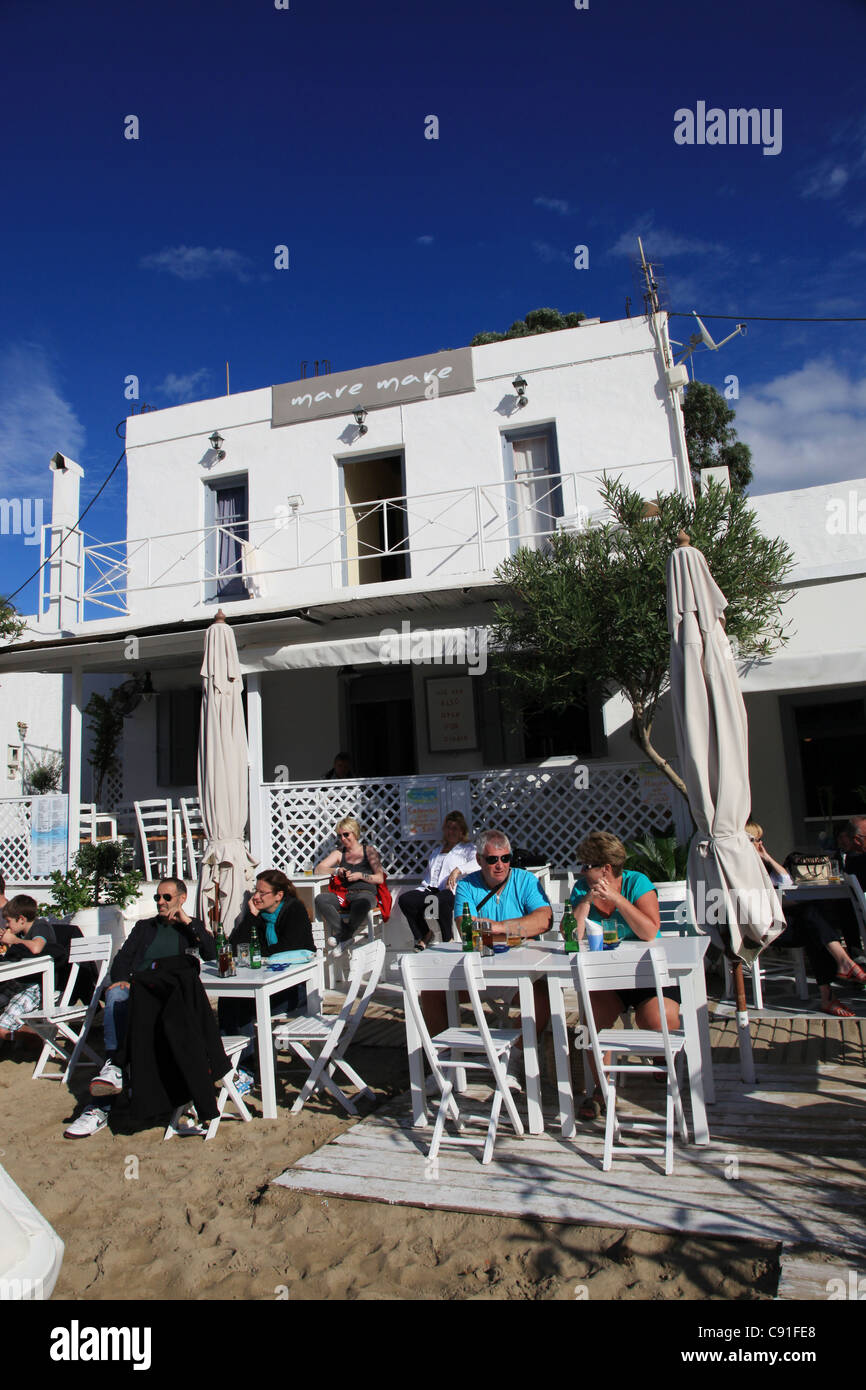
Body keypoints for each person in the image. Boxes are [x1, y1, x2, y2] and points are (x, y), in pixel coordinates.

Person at [64, 878, 215, 1139]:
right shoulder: (144, 927)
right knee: (116, 994)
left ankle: (110, 1081)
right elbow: (122, 960)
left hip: (168, 1000)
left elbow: (211, 953)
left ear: (181, 899)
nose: (161, 902)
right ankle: (113, 1069)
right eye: (158, 897)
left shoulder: (190, 929)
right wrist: (122, 979)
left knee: (123, 1004)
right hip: (137, 992)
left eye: (167, 897)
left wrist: (188, 922)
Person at [568, 830, 679, 1122]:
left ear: (605, 868)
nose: (582, 870)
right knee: (592, 1021)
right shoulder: (582, 889)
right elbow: (572, 936)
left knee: (655, 1019)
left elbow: (649, 931)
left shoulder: (636, 883)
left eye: (587, 865)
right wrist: (586, 904)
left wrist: (616, 899)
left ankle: (660, 1059)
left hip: (648, 976)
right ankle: (602, 1090)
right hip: (607, 978)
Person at [422, 830, 552, 1066]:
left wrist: (498, 927)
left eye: (506, 858)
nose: (500, 865)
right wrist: (520, 932)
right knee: (431, 994)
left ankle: (513, 1059)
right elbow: (468, 930)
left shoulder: (525, 880)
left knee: (545, 999)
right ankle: (443, 1064)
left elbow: (544, 920)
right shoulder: (466, 885)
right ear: (480, 860)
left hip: (518, 975)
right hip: (478, 973)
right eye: (492, 859)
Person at [747, 821, 865, 1017]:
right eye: (756, 840)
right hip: (762, 928)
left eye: (761, 840)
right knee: (814, 918)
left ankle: (838, 973)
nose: (761, 843)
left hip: (779, 923)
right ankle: (840, 969)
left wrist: (766, 857)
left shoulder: (762, 865)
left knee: (816, 925)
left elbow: (786, 881)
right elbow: (757, 905)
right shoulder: (741, 871)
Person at [218, 870, 315, 1078]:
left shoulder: (293, 910)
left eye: (262, 893)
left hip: (297, 989)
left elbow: (289, 946)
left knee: (241, 1007)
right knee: (229, 1000)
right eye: (256, 891)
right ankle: (233, 1066)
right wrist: (250, 917)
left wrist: (259, 953)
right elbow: (235, 947)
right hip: (270, 984)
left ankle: (244, 1068)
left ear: (278, 895)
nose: (256, 896)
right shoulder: (261, 916)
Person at [399, 811, 479, 950]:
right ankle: (425, 934)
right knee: (406, 899)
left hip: (451, 892)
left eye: (455, 828)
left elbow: (478, 863)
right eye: (448, 827)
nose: (451, 831)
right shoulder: (436, 851)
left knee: (441, 899)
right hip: (430, 890)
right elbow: (429, 876)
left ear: (462, 831)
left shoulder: (468, 849)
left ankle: (448, 938)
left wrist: (457, 870)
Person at [315, 818, 384, 945]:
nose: (343, 838)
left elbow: (380, 877)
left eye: (346, 834)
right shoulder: (339, 853)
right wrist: (336, 871)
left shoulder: (368, 851)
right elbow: (318, 869)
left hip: (365, 893)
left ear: (355, 833)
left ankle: (343, 936)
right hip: (346, 895)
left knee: (361, 902)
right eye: (339, 835)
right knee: (321, 899)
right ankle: (345, 935)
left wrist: (361, 875)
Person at [0, 895, 57, 1044]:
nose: (7, 925)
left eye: (9, 921)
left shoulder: (40, 926)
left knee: (2, 1028)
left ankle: (36, 1039)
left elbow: (36, 947)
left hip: (39, 986)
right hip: (21, 983)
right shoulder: (21, 934)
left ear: (21, 919)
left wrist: (12, 940)